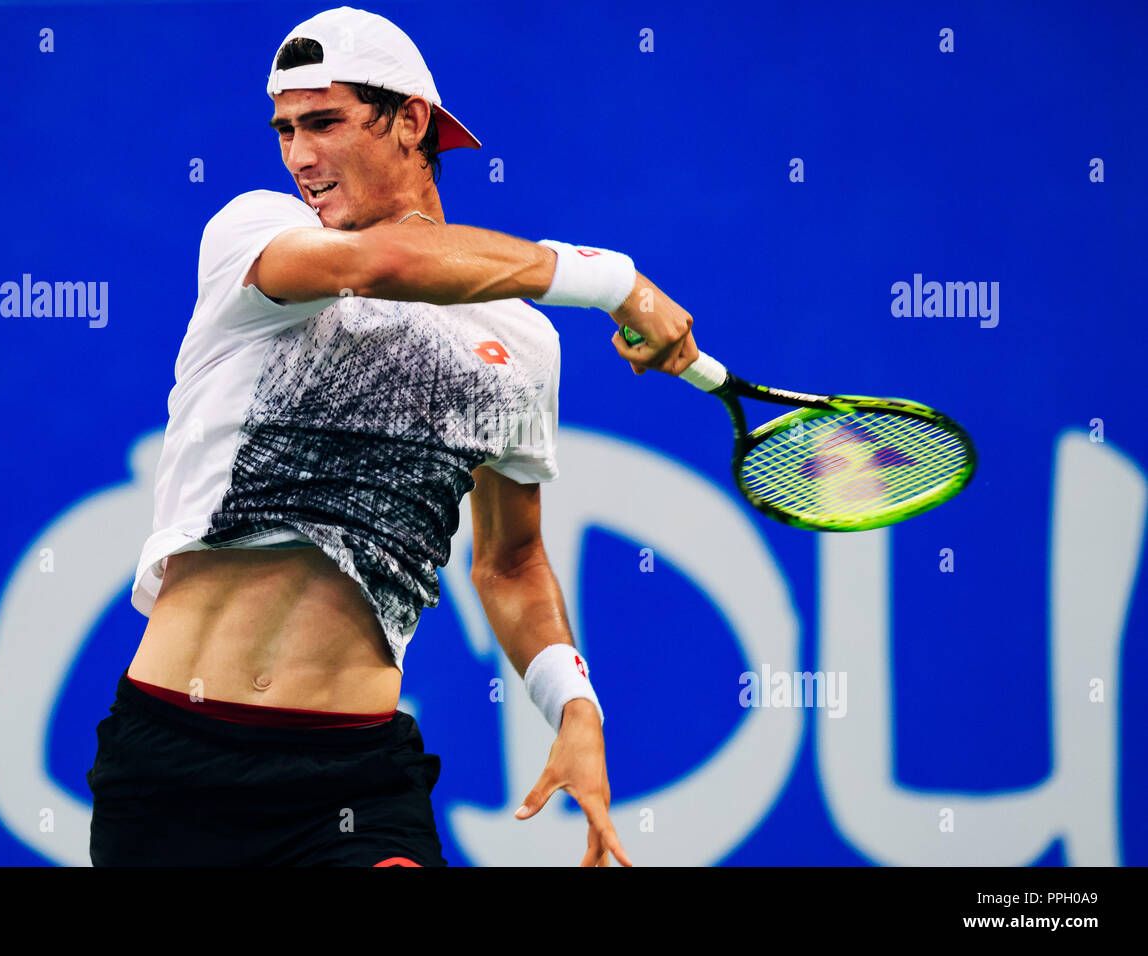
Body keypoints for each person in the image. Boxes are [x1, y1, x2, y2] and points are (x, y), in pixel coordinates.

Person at [86, 5, 698, 868]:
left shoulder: (523, 344)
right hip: (172, 764)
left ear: (411, 119)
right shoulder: (255, 236)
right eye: (286, 130)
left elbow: (510, 563)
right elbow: (384, 265)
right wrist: (616, 280)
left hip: (352, 779)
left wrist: (575, 706)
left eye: (326, 122)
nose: (300, 156)